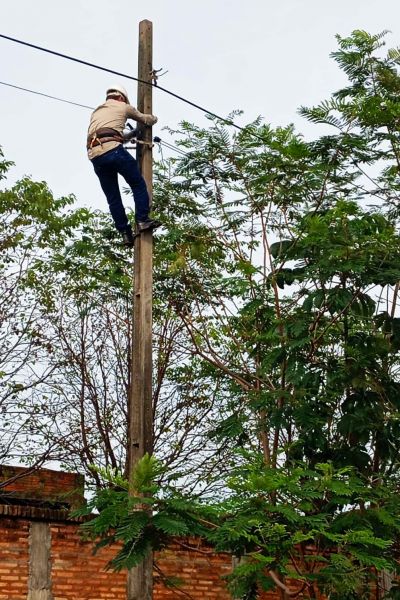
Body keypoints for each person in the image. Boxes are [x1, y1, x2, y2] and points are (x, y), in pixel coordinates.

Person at [87, 84, 160, 247]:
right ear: (121, 97)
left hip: (96, 156)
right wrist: (154, 118)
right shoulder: (123, 106)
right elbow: (146, 119)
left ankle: (125, 233)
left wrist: (132, 134)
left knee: (113, 198)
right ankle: (142, 220)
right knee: (138, 184)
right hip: (114, 152)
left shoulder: (97, 112)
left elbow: (109, 134)